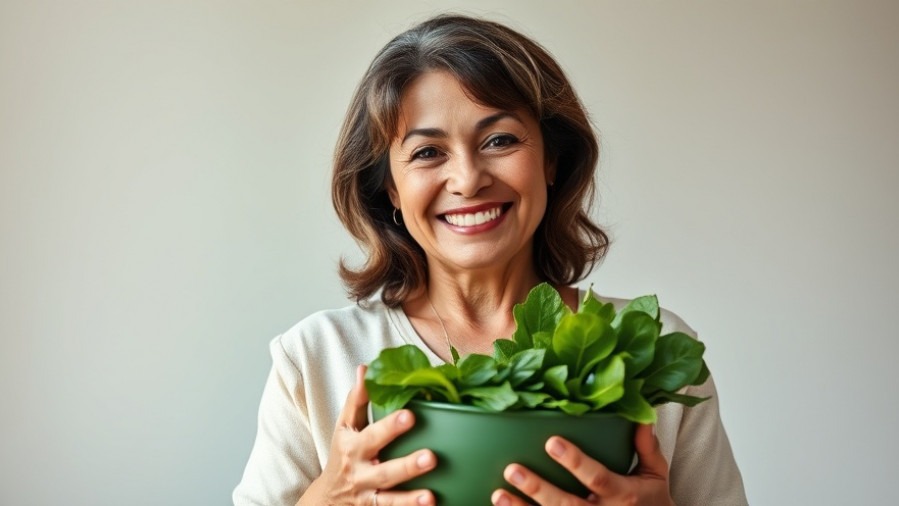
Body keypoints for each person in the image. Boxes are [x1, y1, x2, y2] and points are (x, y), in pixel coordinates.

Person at [233, 14, 747, 506]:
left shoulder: (652, 348)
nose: (468, 179)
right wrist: (330, 498)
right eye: (427, 152)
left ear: (550, 160)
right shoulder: (316, 358)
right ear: (390, 187)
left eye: (499, 140)